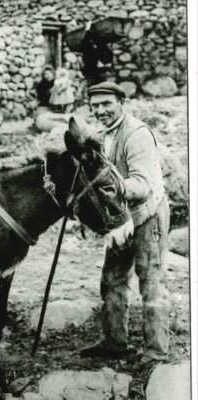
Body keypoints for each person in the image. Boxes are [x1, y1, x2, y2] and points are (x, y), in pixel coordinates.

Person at [80, 81, 170, 367]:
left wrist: (107, 190)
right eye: (95, 106)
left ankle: (156, 349)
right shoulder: (100, 135)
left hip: (146, 215)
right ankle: (114, 342)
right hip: (120, 219)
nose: (100, 110)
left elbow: (142, 185)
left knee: (151, 281)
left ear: (121, 102)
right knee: (112, 279)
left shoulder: (137, 134)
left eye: (106, 104)